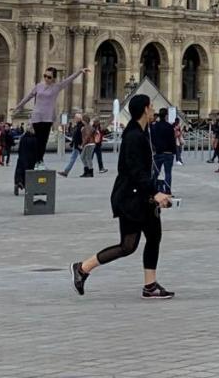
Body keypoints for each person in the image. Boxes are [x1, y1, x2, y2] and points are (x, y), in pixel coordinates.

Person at [71, 93, 175, 300]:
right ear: (145, 109)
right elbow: (136, 171)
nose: (154, 109)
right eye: (152, 106)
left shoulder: (140, 132)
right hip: (132, 198)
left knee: (153, 237)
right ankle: (82, 268)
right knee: (128, 246)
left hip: (140, 196)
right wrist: (155, 192)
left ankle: (150, 285)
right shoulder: (134, 137)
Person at [14, 66, 91, 169]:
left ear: (53, 78)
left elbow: (69, 80)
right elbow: (28, 97)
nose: (46, 78)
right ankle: (37, 161)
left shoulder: (56, 87)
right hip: (37, 116)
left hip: (48, 118)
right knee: (37, 140)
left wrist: (79, 72)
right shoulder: (38, 86)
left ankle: (40, 161)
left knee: (43, 140)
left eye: (49, 77)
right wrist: (18, 107)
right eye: (45, 76)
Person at [149, 108, 176, 191]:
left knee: (156, 172)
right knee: (168, 173)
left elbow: (152, 139)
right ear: (166, 115)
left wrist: (156, 147)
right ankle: (168, 190)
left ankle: (153, 189)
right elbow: (172, 139)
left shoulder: (155, 126)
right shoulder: (170, 126)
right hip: (168, 152)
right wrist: (174, 151)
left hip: (158, 152)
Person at [14, 127, 38, 197]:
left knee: (20, 171)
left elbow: (19, 149)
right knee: (30, 173)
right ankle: (29, 188)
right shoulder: (34, 139)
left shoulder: (23, 138)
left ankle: (18, 182)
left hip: (22, 158)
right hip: (31, 160)